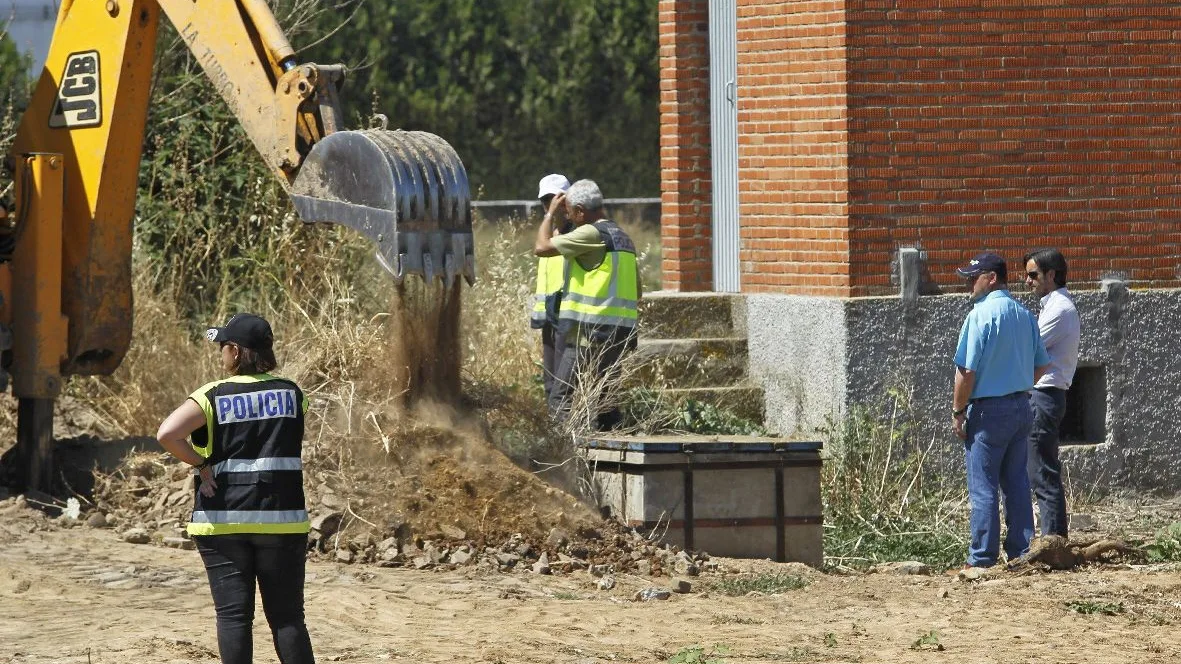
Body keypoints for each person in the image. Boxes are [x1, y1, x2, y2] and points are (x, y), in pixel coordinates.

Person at [156, 313, 315, 664]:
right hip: (282, 520)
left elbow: (167, 433)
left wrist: (200, 464)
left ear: (235, 352)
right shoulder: (292, 394)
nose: (220, 355)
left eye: (223, 348)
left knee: (233, 618)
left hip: (223, 519)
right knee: (287, 617)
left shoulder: (211, 395)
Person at [951, 253, 1050, 568]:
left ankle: (982, 558)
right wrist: (1018, 385)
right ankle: (1021, 552)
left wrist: (958, 410)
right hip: (1021, 406)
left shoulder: (979, 316)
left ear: (991, 278)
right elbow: (1042, 364)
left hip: (988, 411)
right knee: (1017, 482)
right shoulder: (1023, 314)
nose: (969, 284)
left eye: (973, 277)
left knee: (984, 487)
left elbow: (966, 372)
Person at [534, 179, 640, 431]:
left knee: (560, 398)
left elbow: (541, 247)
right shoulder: (623, 238)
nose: (567, 215)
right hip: (620, 334)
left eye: (569, 210)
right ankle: (612, 451)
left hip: (590, 333)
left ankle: (569, 458)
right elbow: (638, 291)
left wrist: (549, 214)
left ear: (580, 212)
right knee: (606, 402)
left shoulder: (590, 233)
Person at [1023, 249, 1080, 538]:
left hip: (1044, 396)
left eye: (1033, 275)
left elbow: (1028, 347)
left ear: (1052, 275)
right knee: (1041, 470)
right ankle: (1052, 539)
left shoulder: (1059, 308)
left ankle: (1054, 542)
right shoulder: (1052, 305)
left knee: (1043, 473)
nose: (1028, 281)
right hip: (1044, 395)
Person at [532, 173, 571, 407]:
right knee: (550, 382)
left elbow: (541, 248)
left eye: (556, 198)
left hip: (566, 315)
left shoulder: (574, 232)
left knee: (562, 384)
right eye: (546, 200)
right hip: (548, 316)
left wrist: (549, 215)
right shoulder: (549, 233)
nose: (551, 204)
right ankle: (555, 434)